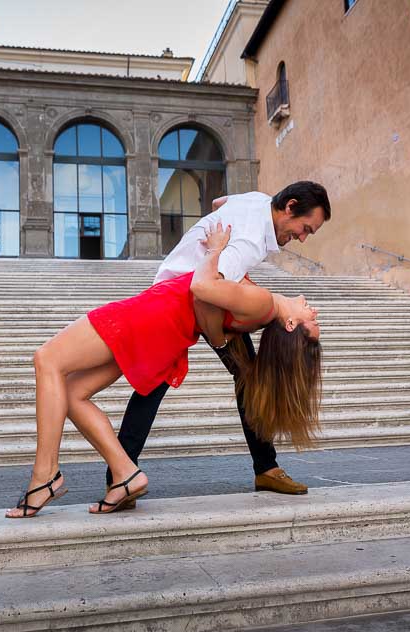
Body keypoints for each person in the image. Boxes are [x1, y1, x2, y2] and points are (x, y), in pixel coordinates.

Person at [5, 221, 322, 518]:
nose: (314, 310)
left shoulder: (264, 304)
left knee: (46, 359)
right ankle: (124, 472)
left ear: (291, 324)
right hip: (162, 327)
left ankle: (44, 475)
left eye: (311, 320)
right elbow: (214, 320)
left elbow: (202, 293)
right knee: (73, 393)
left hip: (152, 316)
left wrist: (215, 249)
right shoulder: (261, 310)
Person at [110, 181, 331, 499]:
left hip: (192, 288)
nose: (302, 237)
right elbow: (205, 296)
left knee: (248, 378)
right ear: (290, 206)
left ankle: (266, 469)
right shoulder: (249, 241)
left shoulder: (258, 201)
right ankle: (120, 474)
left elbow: (218, 202)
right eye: (304, 227)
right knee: (153, 386)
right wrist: (221, 342)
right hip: (178, 300)